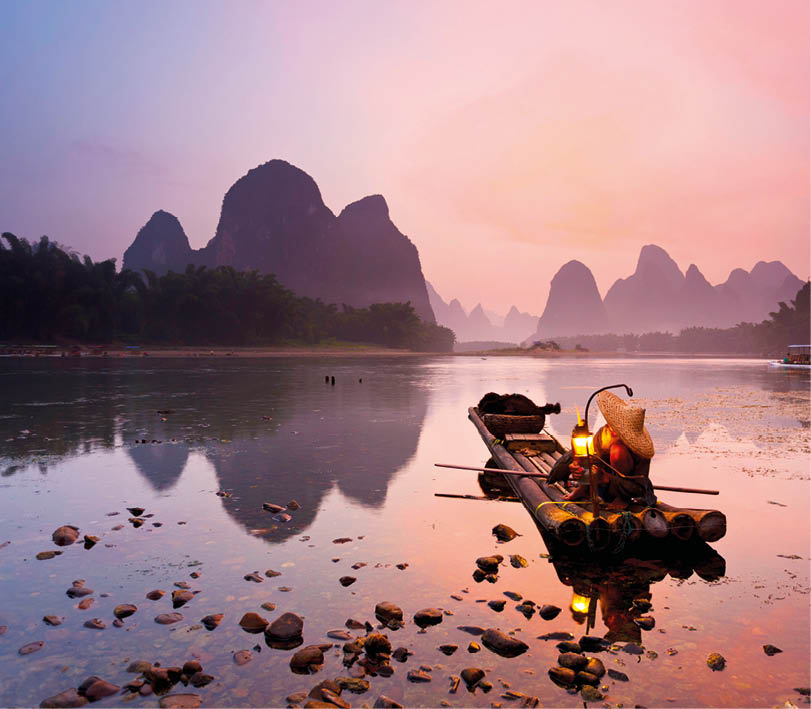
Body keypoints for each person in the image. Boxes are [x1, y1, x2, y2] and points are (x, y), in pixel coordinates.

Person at [551, 391, 656, 509]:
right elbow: (592, 460)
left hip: (627, 489)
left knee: (618, 450)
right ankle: (584, 490)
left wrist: (607, 478)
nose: (612, 428)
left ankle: (621, 499)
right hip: (601, 484)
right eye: (613, 424)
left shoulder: (639, 449)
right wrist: (578, 467)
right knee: (584, 452)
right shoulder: (604, 433)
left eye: (618, 429)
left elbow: (639, 488)